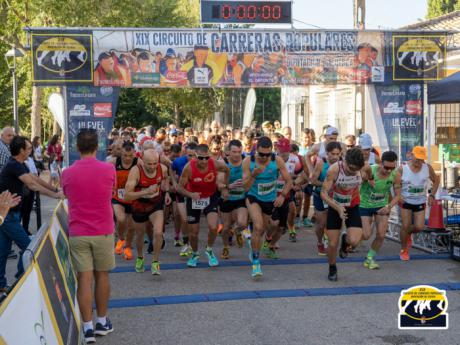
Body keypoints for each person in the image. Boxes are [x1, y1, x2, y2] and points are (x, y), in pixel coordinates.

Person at [61, 129, 115, 343]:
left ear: (77, 148)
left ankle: (87, 327)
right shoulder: (108, 169)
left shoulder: (67, 172)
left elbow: (66, 195)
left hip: (78, 232)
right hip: (103, 230)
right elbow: (111, 193)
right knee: (102, 275)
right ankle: (102, 321)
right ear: (97, 147)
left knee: (84, 278)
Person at [0, 136, 64, 294]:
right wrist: (55, 196)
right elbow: (32, 184)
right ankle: (21, 279)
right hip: (7, 214)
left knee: (3, 250)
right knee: (29, 247)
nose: (31, 150)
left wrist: (55, 190)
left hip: (10, 213)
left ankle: (1, 284)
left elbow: (35, 179)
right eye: (28, 148)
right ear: (21, 150)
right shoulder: (13, 165)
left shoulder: (20, 163)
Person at [243, 136, 292, 277]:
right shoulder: (248, 161)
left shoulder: (277, 160)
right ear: (255, 151)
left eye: (267, 154)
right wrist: (253, 175)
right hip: (253, 197)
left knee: (262, 230)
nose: (264, 157)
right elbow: (245, 188)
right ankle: (256, 263)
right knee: (258, 226)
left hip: (269, 199)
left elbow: (288, 181)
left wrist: (282, 195)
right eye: (261, 154)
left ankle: (252, 244)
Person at [177, 144, 230, 268]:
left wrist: (225, 186)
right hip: (193, 198)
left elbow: (227, 170)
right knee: (193, 232)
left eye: (207, 158)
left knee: (213, 227)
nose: (204, 161)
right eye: (201, 158)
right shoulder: (188, 168)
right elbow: (179, 187)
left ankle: (209, 249)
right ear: (195, 156)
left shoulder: (214, 164)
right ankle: (195, 254)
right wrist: (190, 194)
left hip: (210, 197)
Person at [320, 148, 366, 281]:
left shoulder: (364, 168)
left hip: (353, 206)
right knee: (332, 244)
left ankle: (345, 243)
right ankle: (332, 267)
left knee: (355, 240)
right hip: (335, 207)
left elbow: (369, 176)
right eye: (350, 168)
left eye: (355, 169)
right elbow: (323, 193)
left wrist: (371, 181)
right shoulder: (334, 170)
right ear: (344, 161)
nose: (352, 171)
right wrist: (338, 208)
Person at [124, 150, 171, 275]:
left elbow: (166, 178)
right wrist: (146, 191)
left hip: (155, 204)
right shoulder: (136, 171)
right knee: (140, 234)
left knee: (158, 232)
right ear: (142, 161)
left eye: (155, 163)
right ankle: (140, 257)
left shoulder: (163, 168)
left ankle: (155, 262)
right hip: (139, 204)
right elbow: (127, 196)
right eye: (149, 164)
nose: (152, 166)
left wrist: (166, 193)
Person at [360, 151, 402, 269]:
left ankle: (369, 258)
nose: (389, 170)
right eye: (386, 167)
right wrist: (365, 178)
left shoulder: (396, 175)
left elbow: (398, 196)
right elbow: (360, 176)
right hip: (364, 205)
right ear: (380, 163)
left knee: (381, 235)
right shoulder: (371, 170)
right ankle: (347, 237)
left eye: (392, 167)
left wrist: (389, 206)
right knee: (366, 235)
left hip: (382, 206)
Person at [399, 146, 440, 261]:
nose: (419, 162)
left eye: (422, 160)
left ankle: (407, 235)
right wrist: (398, 195)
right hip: (406, 200)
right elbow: (395, 183)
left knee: (419, 227)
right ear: (411, 155)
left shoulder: (427, 168)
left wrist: (432, 195)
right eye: (417, 159)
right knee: (405, 225)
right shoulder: (403, 168)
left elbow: (436, 180)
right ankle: (404, 250)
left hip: (420, 201)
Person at [309, 142, 342, 255]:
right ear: (327, 153)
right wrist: (327, 184)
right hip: (320, 195)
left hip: (335, 196)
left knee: (335, 222)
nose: (335, 157)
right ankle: (320, 242)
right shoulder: (320, 162)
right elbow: (313, 181)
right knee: (321, 223)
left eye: (338, 154)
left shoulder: (341, 163)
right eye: (333, 154)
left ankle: (330, 241)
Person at [220, 140, 248, 259]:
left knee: (242, 223)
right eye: (234, 152)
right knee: (226, 227)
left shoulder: (246, 161)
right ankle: (226, 247)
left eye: (239, 152)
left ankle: (237, 231)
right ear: (228, 152)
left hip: (241, 198)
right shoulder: (223, 163)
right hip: (226, 198)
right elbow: (219, 183)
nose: (237, 154)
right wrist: (229, 186)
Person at [110, 141, 137, 260]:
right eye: (125, 155)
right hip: (118, 198)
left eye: (130, 156)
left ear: (134, 154)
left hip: (133, 198)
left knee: (131, 227)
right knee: (121, 219)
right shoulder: (113, 162)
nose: (127, 158)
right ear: (121, 154)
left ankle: (128, 247)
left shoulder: (138, 163)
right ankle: (121, 238)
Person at [171, 142, 197, 257]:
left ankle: (191, 244)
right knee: (184, 219)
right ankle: (186, 243)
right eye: (189, 155)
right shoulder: (179, 161)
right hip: (181, 193)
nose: (191, 158)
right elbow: (170, 170)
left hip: (195, 195)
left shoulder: (202, 162)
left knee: (193, 222)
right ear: (185, 153)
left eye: (193, 155)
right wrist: (174, 183)